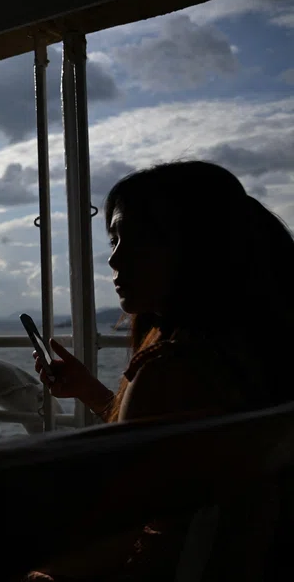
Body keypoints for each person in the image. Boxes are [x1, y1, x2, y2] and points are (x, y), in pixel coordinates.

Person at [27, 160, 294, 580]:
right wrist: (91, 391)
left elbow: (118, 544)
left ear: (197, 246)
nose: (114, 260)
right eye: (114, 239)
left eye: (136, 240)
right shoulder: (248, 354)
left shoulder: (169, 368)